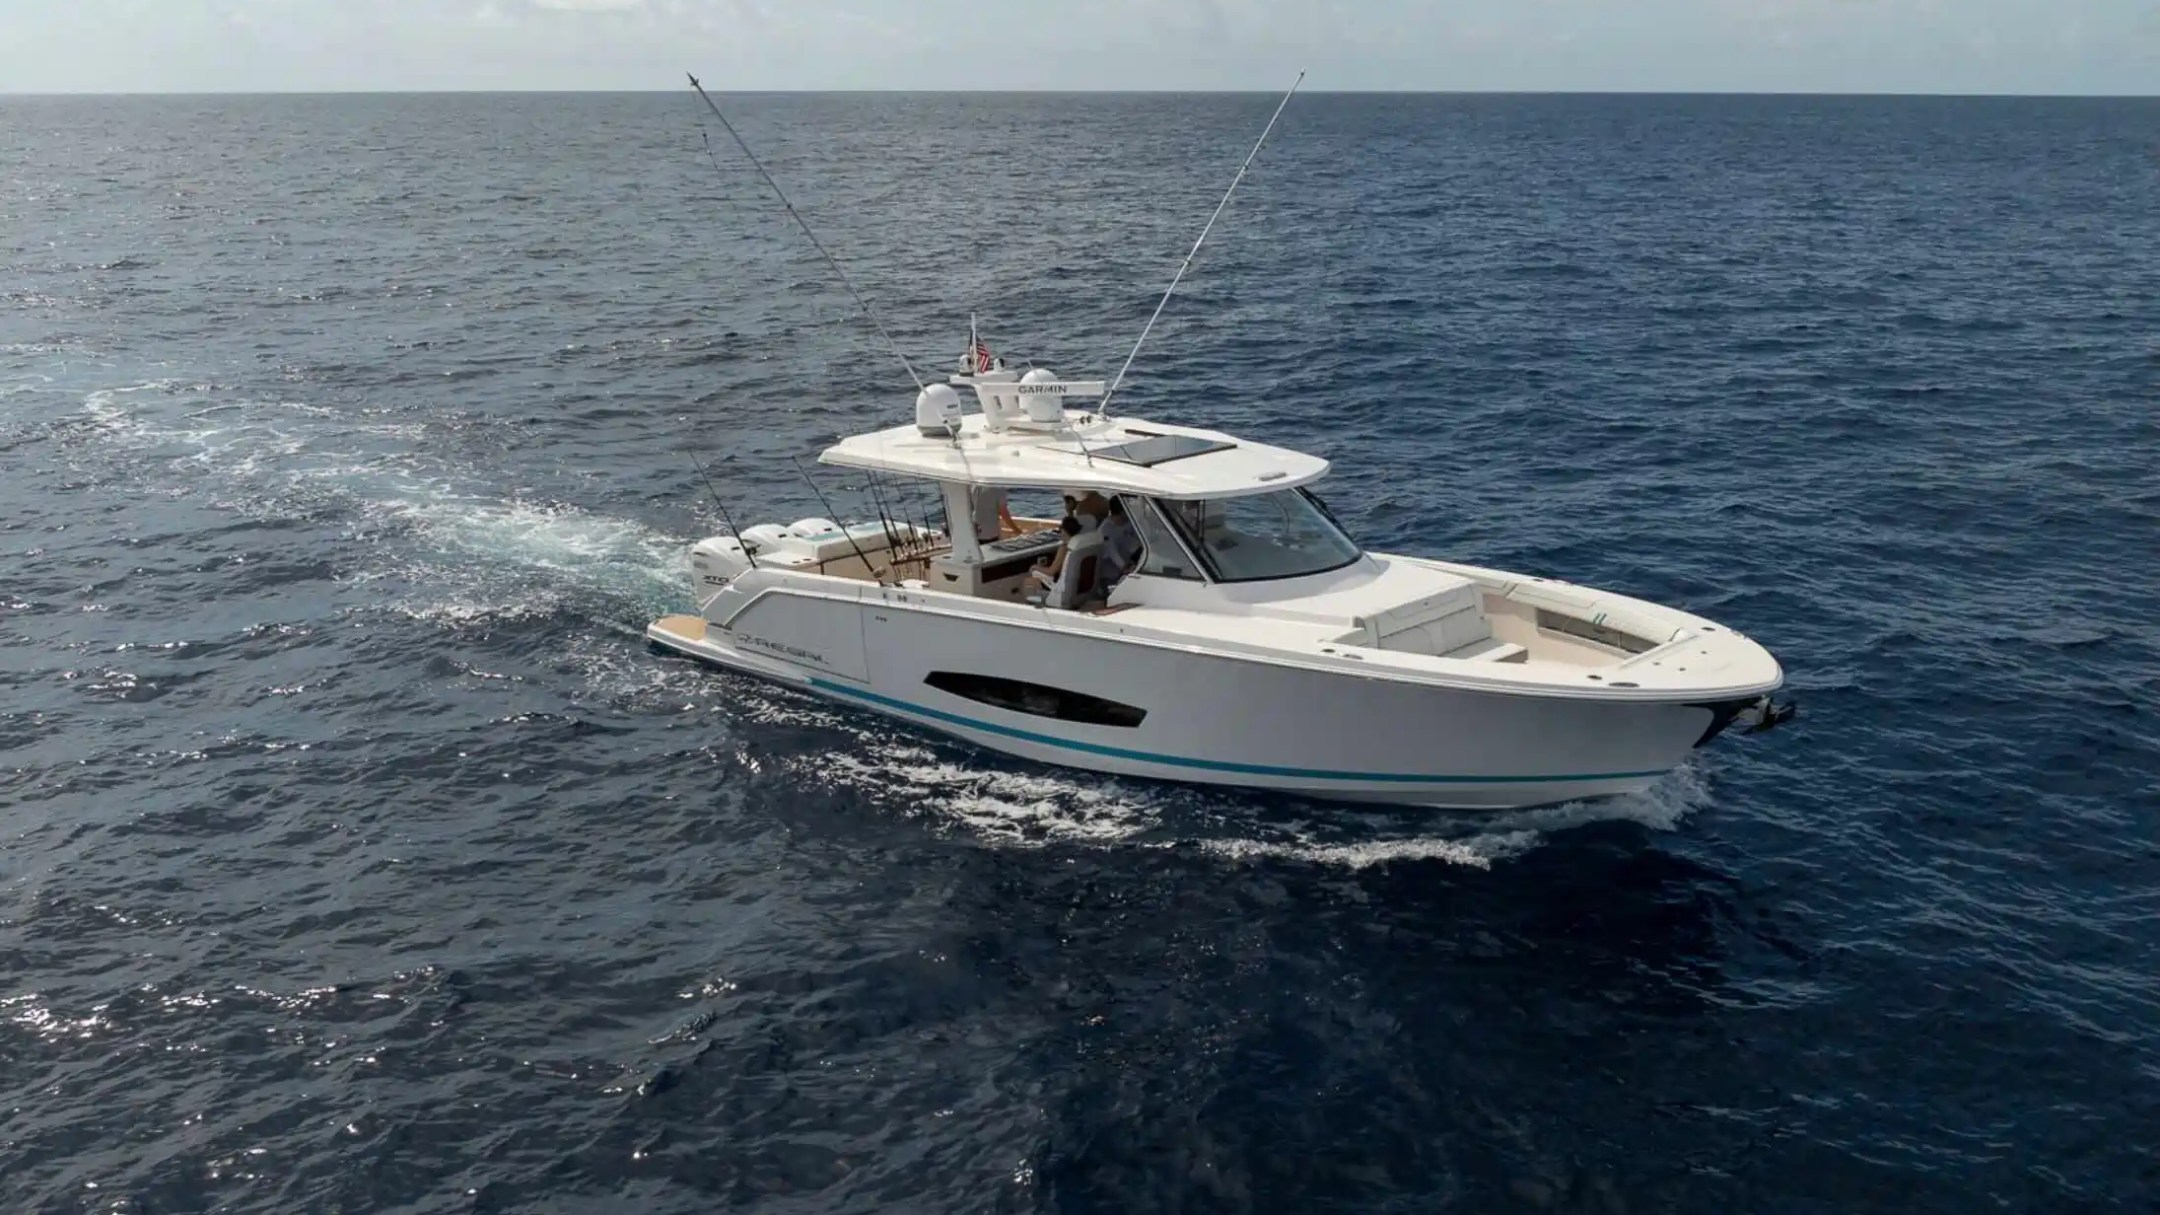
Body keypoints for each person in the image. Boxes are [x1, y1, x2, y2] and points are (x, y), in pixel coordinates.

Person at [1098, 496, 1141, 584]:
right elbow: (1112, 553)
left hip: (1130, 566)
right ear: (1123, 512)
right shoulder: (1105, 530)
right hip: (1111, 575)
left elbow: (1136, 544)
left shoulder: (1128, 524)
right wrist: (1125, 567)